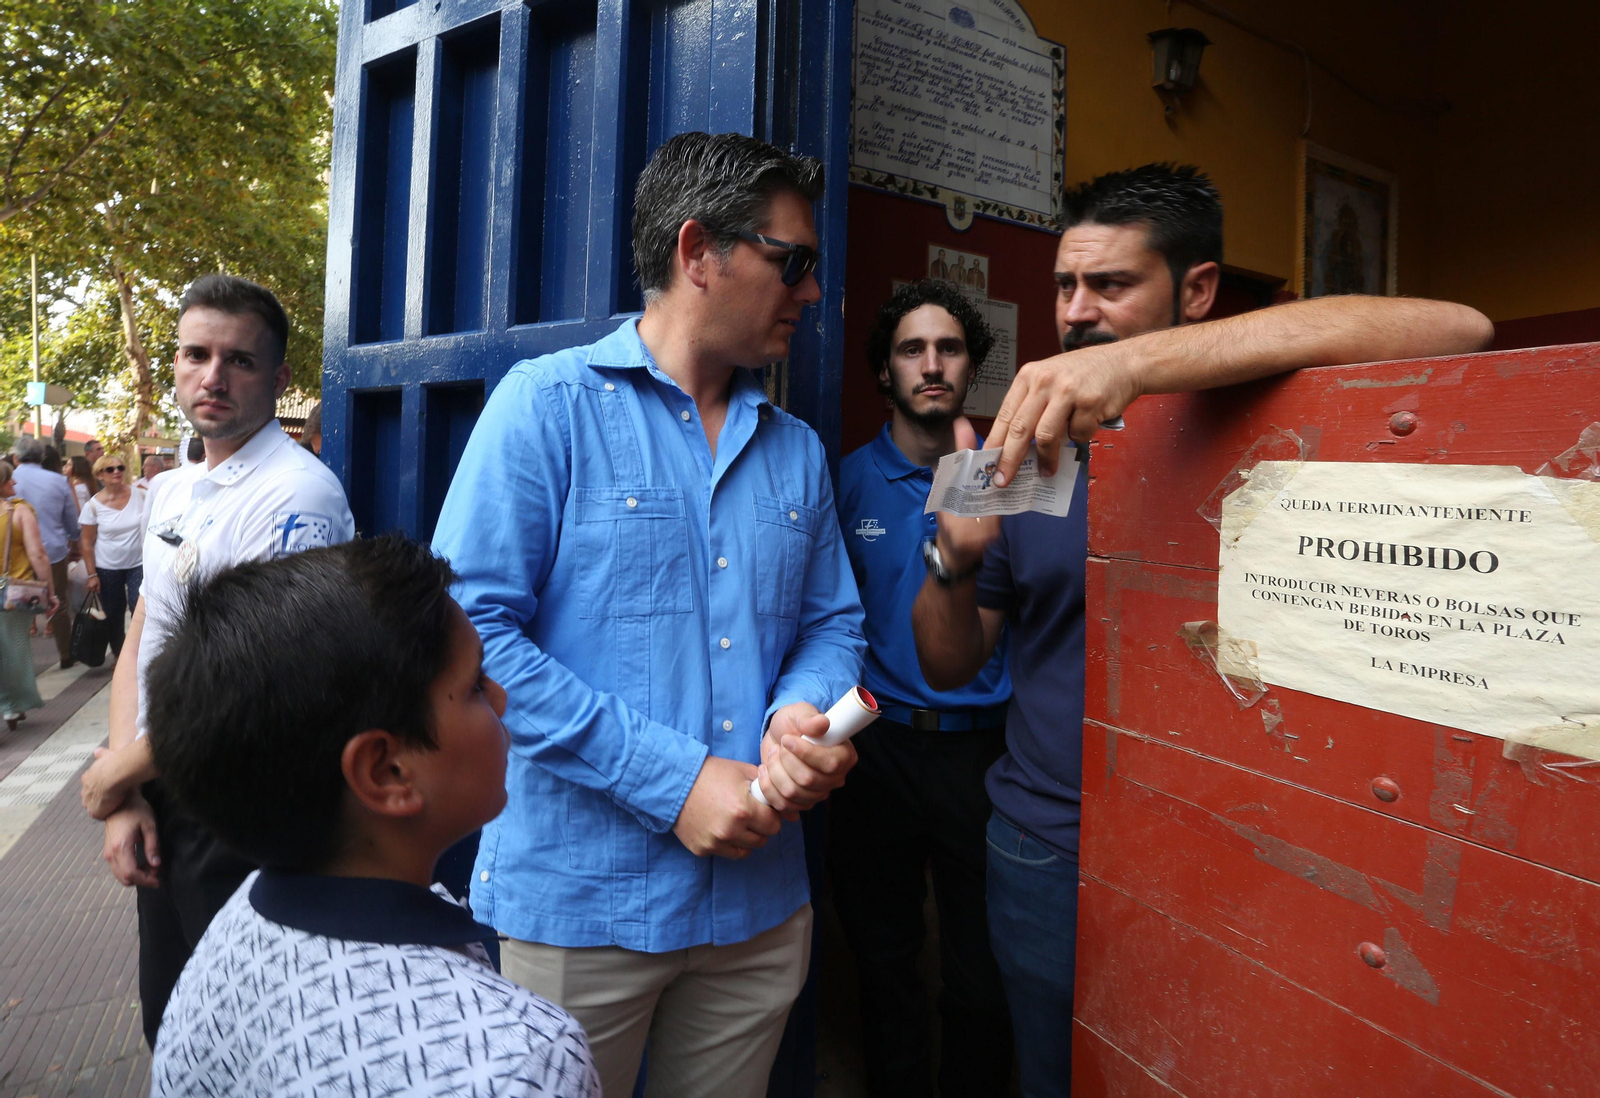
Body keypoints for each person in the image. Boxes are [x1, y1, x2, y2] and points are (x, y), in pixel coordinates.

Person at [911, 162, 1495, 1096]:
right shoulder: (1017, 454)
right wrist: (955, 560)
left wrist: (1135, 367)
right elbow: (947, 665)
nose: (1077, 311)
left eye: (1110, 285)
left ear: (1197, 290)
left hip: (1227, 847)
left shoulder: (1260, 407)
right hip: (1043, 848)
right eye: (1065, 285)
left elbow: (1463, 330)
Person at [432, 130, 866, 1098]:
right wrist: (673, 783)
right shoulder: (542, 408)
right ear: (696, 251)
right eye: (792, 261)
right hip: (580, 909)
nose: (811, 291)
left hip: (757, 913)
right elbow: (470, 637)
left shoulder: (794, 449)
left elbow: (832, 623)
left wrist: (796, 713)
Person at [143, 536, 600, 1097]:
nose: (501, 699)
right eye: (475, 685)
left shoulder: (236, 926)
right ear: (386, 773)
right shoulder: (524, 1060)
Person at [76, 273, 356, 1048]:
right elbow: (142, 637)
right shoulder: (169, 490)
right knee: (172, 1025)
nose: (213, 376)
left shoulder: (299, 495)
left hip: (240, 806)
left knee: (244, 1036)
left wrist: (117, 772)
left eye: (238, 360)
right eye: (196, 354)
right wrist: (126, 790)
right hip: (162, 786)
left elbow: (268, 683)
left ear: (278, 378)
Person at [830, 280, 1013, 1097]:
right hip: (877, 749)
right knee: (885, 958)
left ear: (971, 365)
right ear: (885, 371)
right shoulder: (844, 481)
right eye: (912, 349)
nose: (932, 365)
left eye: (949, 348)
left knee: (980, 976)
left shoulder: (1010, 478)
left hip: (984, 753)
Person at [0, 461, 61, 730]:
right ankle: (11, 706)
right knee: (14, 651)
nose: (14, 484)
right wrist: (50, 591)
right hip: (12, 594)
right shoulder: (18, 510)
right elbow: (37, 554)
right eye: (8, 480)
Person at [12, 436, 80, 669]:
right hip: (53, 550)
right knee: (59, 602)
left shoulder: (8, 480)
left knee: (18, 607)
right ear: (42, 457)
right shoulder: (58, 481)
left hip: (15, 555)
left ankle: (23, 661)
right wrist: (75, 539)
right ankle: (65, 653)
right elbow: (71, 519)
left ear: (15, 457)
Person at [80, 453, 146, 658]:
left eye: (120, 468)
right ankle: (121, 655)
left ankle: (141, 652)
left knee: (139, 605)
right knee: (114, 613)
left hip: (138, 562)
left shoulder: (141, 495)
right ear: (100, 475)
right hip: (107, 566)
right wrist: (92, 575)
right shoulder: (92, 506)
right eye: (110, 469)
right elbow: (87, 543)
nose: (116, 472)